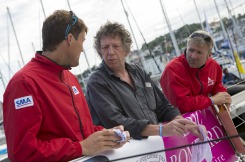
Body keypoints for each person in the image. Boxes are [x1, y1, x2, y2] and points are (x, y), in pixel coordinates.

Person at [3, 10, 130, 162]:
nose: (83, 49)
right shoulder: (24, 84)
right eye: (82, 41)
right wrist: (80, 148)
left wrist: (106, 135)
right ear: (70, 39)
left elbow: (82, 132)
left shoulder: (70, 78)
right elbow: (22, 153)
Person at [86, 21, 205, 140]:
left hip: (156, 144)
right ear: (100, 52)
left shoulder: (139, 72)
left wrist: (182, 123)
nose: (110, 52)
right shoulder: (96, 82)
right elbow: (116, 122)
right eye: (105, 47)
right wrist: (161, 130)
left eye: (115, 46)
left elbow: (163, 106)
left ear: (126, 50)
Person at [160, 30, 232, 114]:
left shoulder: (214, 66)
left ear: (209, 55)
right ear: (186, 48)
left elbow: (217, 85)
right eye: (191, 50)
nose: (193, 56)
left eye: (199, 52)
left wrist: (225, 98)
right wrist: (211, 100)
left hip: (204, 116)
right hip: (181, 121)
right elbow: (182, 105)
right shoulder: (172, 70)